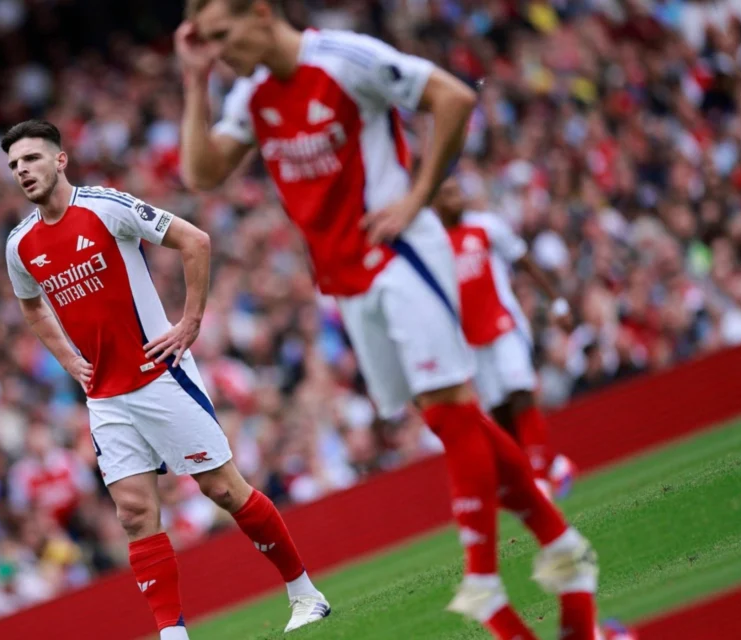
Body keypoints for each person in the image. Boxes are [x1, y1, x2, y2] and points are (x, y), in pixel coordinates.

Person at [175, 2, 599, 638]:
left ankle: (484, 580)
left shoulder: (344, 59)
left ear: (260, 14)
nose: (219, 51)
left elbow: (452, 97)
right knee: (445, 416)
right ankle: (563, 548)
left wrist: (416, 197)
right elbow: (202, 173)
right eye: (206, 41)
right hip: (345, 279)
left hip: (400, 255)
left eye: (223, 35)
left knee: (452, 409)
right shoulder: (252, 94)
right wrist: (192, 81)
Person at [1, 120, 329, 638]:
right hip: (104, 395)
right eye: (15, 165)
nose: (23, 171)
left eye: (32, 159)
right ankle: (172, 634)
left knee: (221, 490)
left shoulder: (105, 208)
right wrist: (68, 360)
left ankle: (305, 592)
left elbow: (194, 241)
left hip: (159, 375)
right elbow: (31, 307)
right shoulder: (20, 245)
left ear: (60, 160)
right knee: (133, 514)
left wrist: (190, 322)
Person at [434, 178, 578, 499]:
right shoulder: (435, 245)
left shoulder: (485, 227)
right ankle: (551, 466)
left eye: (458, 191)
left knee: (521, 395)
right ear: (435, 204)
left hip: (505, 326)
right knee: (501, 415)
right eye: (448, 194)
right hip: (471, 341)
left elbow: (523, 259)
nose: (457, 198)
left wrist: (556, 301)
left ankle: (539, 480)